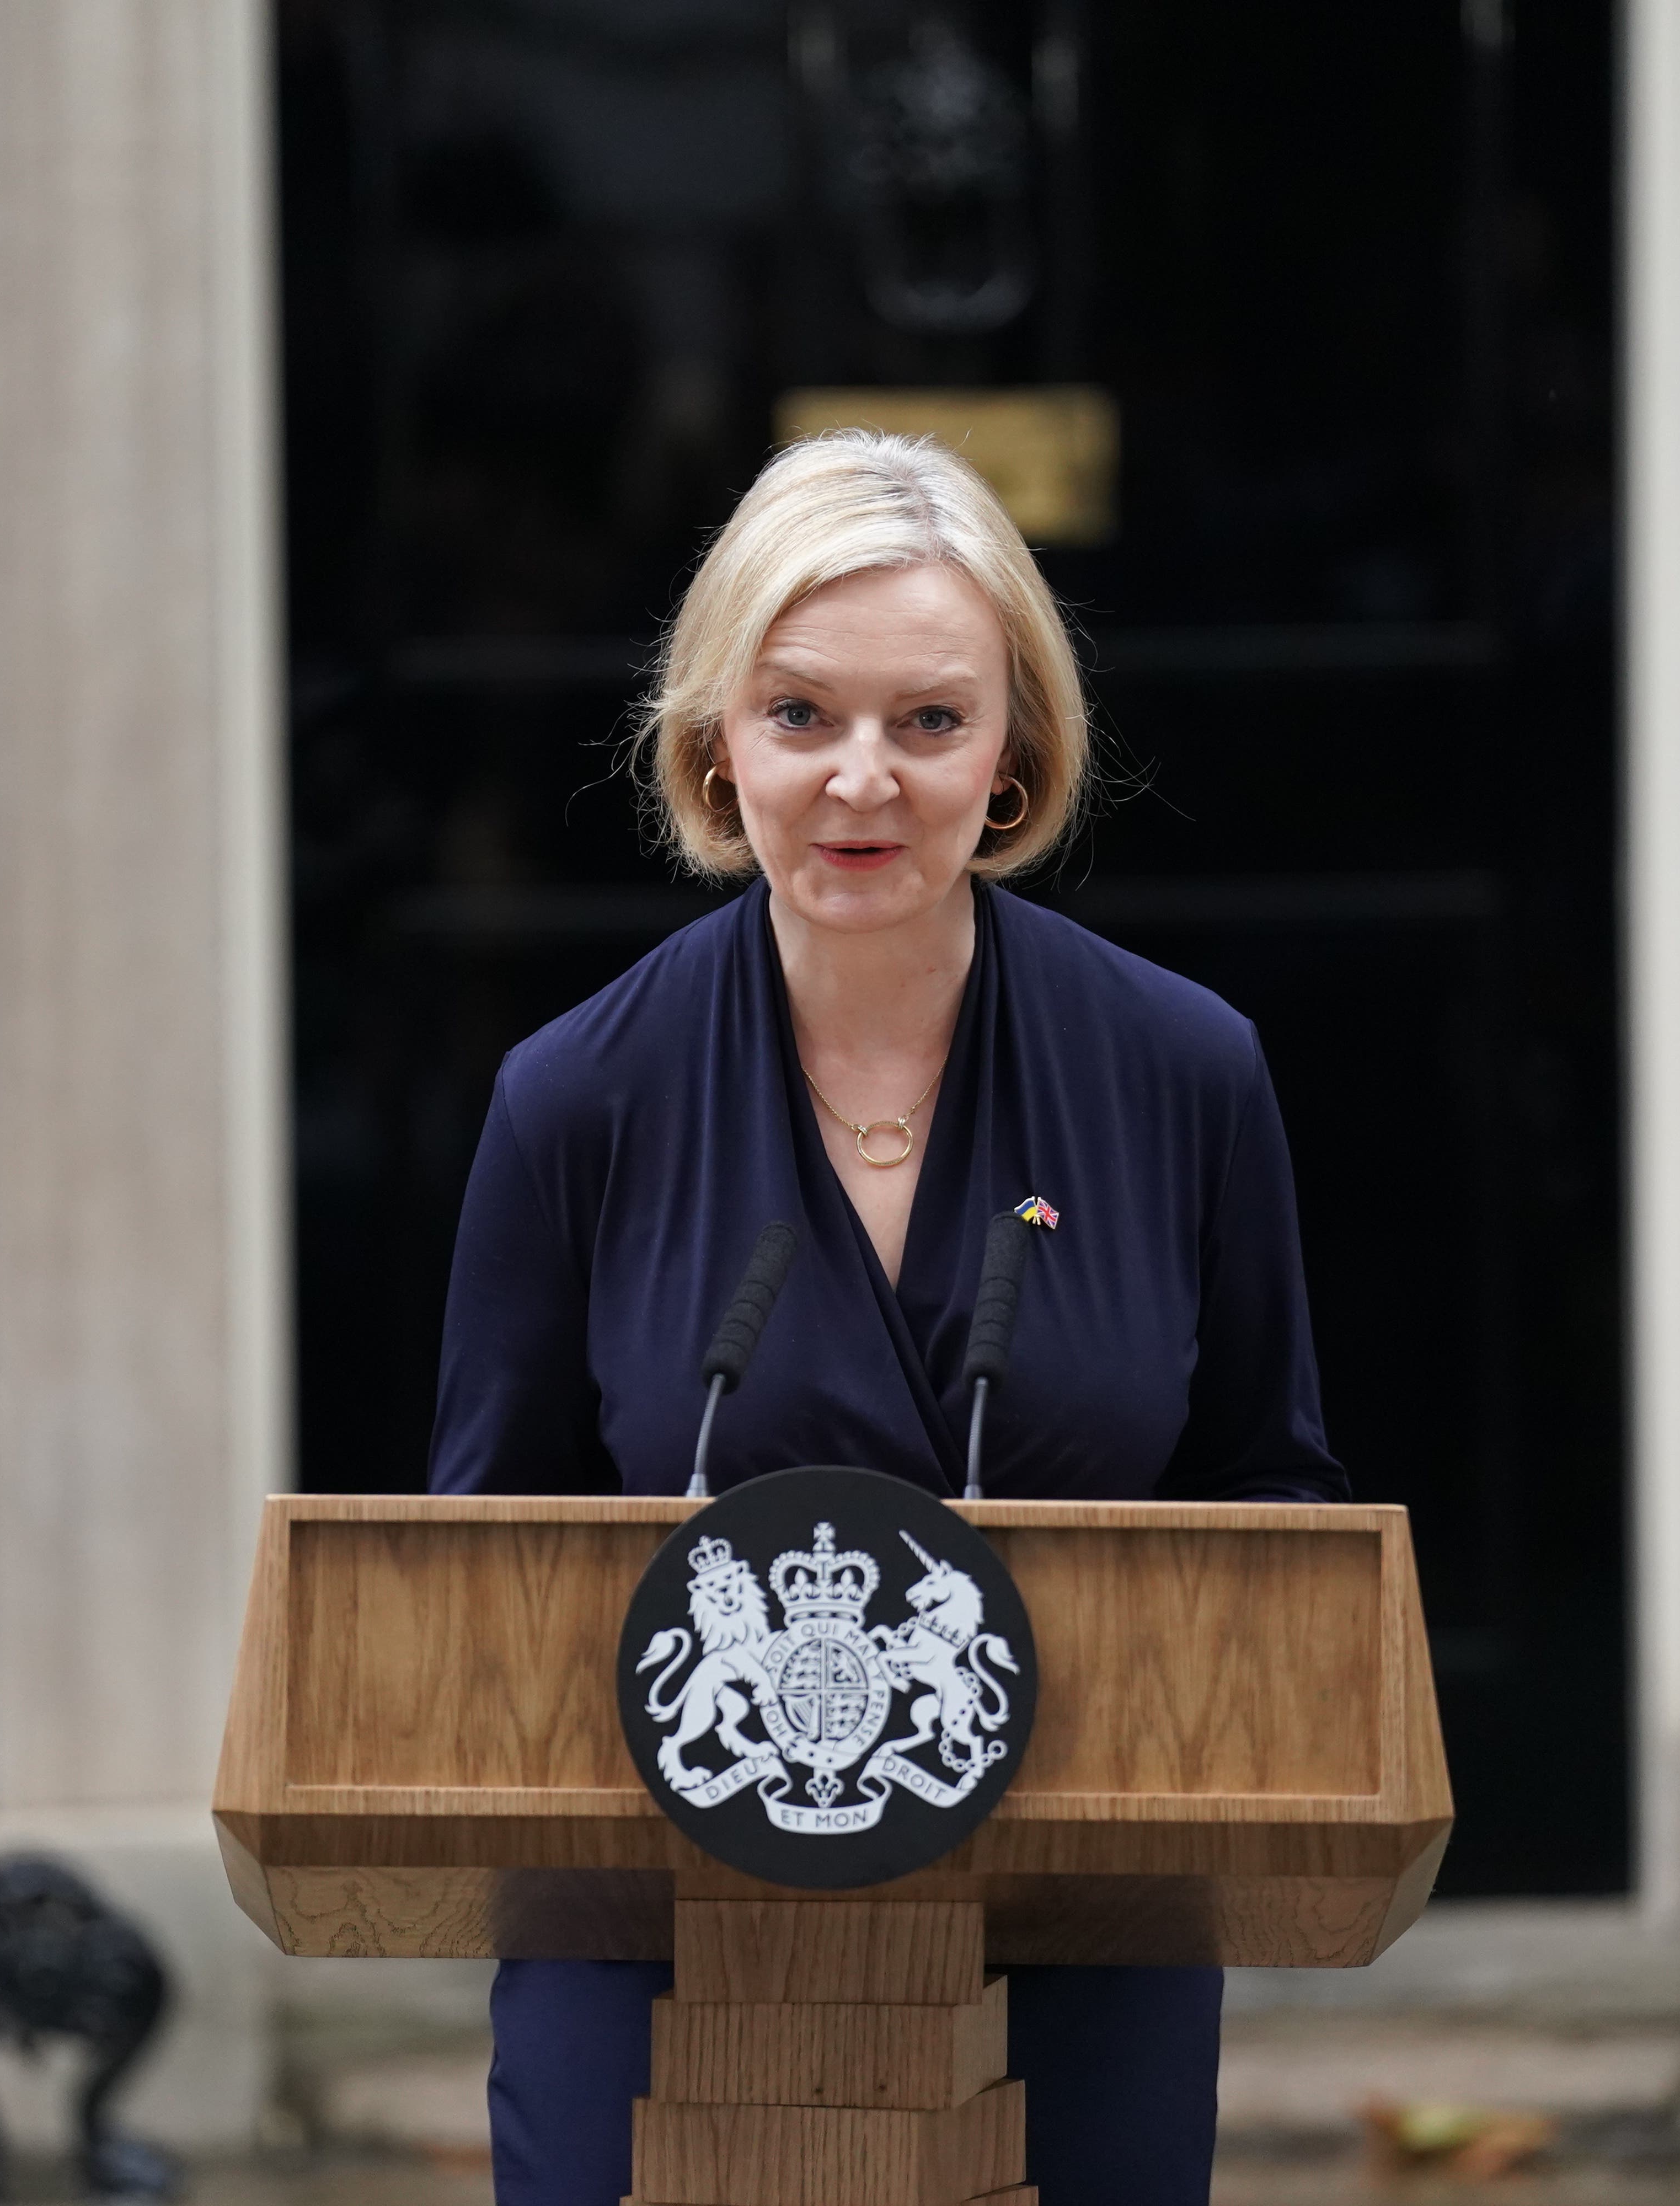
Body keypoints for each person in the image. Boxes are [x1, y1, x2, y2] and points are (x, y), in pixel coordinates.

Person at [427, 429, 1346, 2206]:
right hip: (656, 1938)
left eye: (930, 721)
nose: (865, 783)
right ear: (715, 741)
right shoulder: (575, 1102)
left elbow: (1274, 1514)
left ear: (1014, 753)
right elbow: (487, 1576)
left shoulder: (1184, 1074)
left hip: (1077, 1925)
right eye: (801, 718)